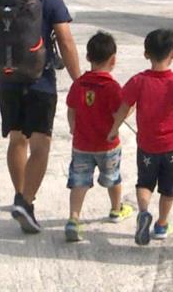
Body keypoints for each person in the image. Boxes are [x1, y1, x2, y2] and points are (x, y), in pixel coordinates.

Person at [0, 0, 80, 234]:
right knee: (41, 144)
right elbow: (67, 43)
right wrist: (79, 80)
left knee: (17, 139)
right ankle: (26, 200)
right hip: (40, 83)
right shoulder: (51, 1)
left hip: (7, 80)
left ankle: (22, 197)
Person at [107, 29, 173, 246]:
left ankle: (143, 212)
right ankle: (161, 224)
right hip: (172, 147)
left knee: (145, 183)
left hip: (147, 146)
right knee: (169, 189)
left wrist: (114, 129)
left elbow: (124, 108)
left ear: (146, 54)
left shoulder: (138, 81)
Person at [63, 31, 135, 242]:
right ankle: (116, 209)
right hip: (107, 145)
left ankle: (74, 219)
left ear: (87, 57)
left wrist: (72, 126)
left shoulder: (79, 84)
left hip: (82, 144)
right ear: (113, 60)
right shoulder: (112, 87)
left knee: (79, 182)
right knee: (113, 178)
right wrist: (131, 109)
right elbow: (118, 114)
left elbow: (71, 108)